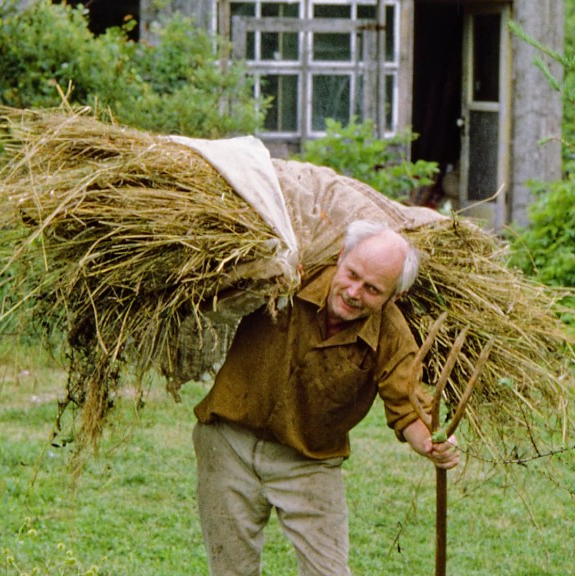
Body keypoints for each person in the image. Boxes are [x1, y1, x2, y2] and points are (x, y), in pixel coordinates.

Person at [193, 219, 461, 576]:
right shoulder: (287, 274)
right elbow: (216, 289)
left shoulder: (392, 335)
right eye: (351, 274)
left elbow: (407, 406)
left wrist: (430, 442)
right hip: (228, 445)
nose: (354, 292)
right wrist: (259, 272)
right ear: (341, 256)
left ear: (393, 297)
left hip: (309, 461)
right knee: (230, 570)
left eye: (372, 289)